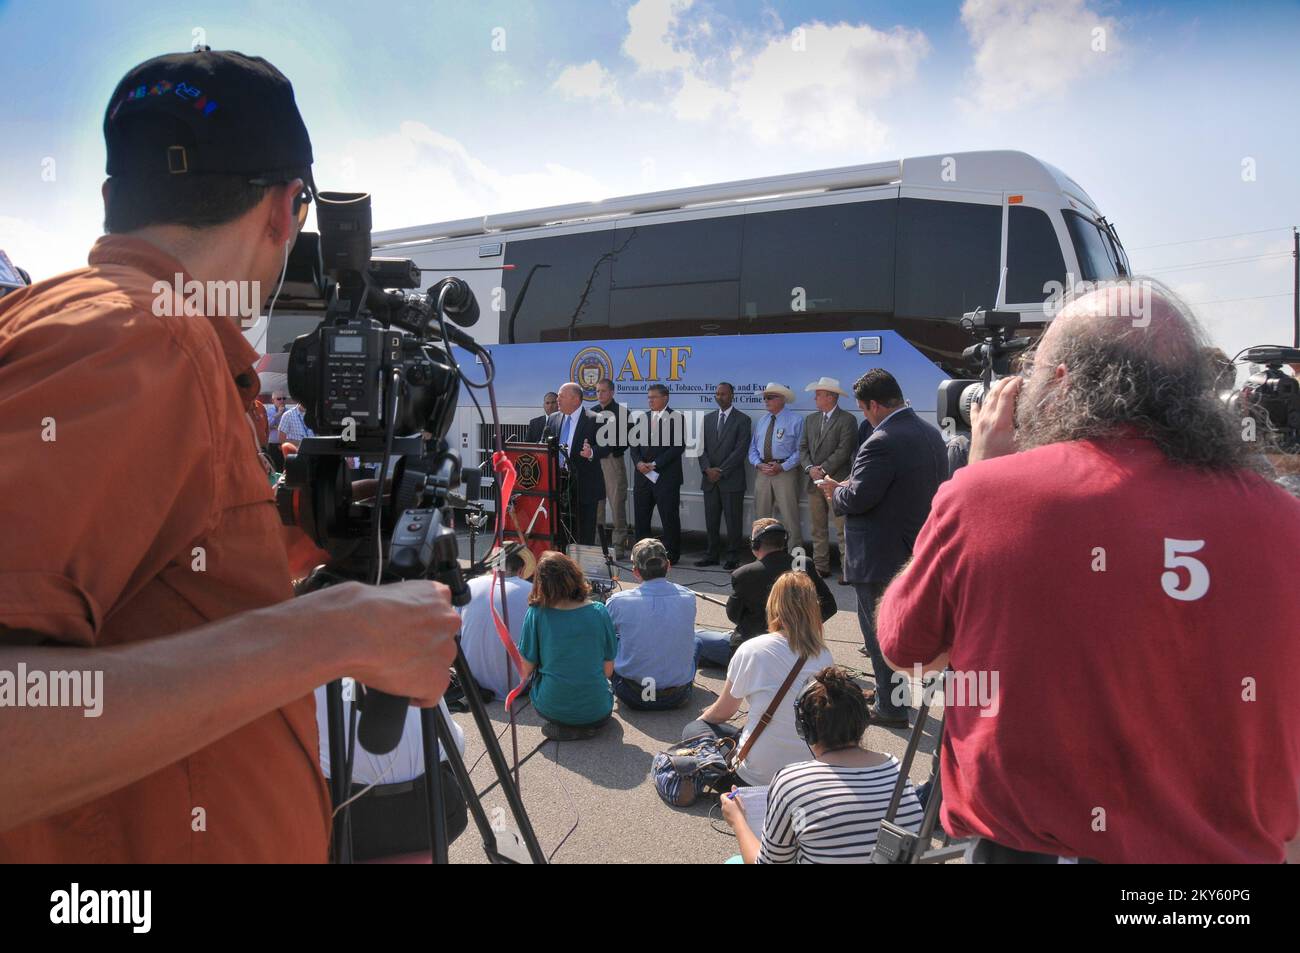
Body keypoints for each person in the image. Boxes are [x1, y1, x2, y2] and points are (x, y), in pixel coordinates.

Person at [0, 49, 460, 862]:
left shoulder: (109, 326)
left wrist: (299, 527)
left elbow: (156, 585)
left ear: (113, 200)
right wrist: (333, 631)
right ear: (286, 212)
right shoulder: (142, 345)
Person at [877, 281, 1300, 864]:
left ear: (1059, 383)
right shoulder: (1284, 520)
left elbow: (909, 650)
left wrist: (973, 478)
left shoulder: (989, 496)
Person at [821, 368, 947, 728]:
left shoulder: (881, 440)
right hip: (914, 547)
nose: (864, 415)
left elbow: (858, 498)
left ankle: (891, 708)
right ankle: (890, 695)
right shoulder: (928, 433)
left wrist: (835, 491)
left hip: (879, 553)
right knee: (901, 628)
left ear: (874, 405)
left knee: (878, 631)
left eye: (863, 408)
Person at [721, 666, 924, 863]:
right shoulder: (896, 768)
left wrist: (738, 820)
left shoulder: (792, 781)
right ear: (863, 722)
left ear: (804, 728)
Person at [683, 572, 835, 787]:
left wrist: (700, 723)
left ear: (774, 605)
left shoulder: (753, 649)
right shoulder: (824, 655)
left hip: (754, 779)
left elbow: (723, 712)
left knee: (694, 730)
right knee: (748, 729)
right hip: (804, 778)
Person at [314, 689, 468, 861]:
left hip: (344, 830)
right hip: (441, 816)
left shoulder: (294, 669)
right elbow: (455, 744)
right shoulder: (412, 662)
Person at [696, 518, 836, 669]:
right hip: (798, 643)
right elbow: (829, 606)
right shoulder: (804, 564)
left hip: (753, 648)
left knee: (694, 637)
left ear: (755, 544)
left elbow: (734, 615)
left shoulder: (744, 574)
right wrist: (802, 626)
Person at [517, 551, 617, 741]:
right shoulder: (599, 611)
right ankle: (585, 724)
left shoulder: (537, 613)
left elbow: (525, 670)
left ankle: (565, 724)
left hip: (551, 706)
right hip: (597, 709)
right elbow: (608, 671)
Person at [605, 539, 700, 710]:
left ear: (635, 571)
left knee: (612, 642)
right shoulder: (689, 597)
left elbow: (602, 640)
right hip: (677, 696)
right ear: (668, 565)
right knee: (697, 641)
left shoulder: (617, 601)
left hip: (632, 695)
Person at [798, 376, 859, 581]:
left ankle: (846, 569)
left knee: (842, 528)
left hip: (837, 482)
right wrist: (809, 468)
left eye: (818, 394)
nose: (815, 398)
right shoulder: (811, 419)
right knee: (818, 527)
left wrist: (822, 469)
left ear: (831, 397)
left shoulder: (847, 420)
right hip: (814, 482)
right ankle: (820, 566)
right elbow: (803, 447)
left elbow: (844, 450)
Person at [457, 549, 533, 700]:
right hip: (519, 685)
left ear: (493, 567)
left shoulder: (470, 585)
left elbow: (455, 634)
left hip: (471, 682)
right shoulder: (532, 591)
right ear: (522, 569)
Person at [542, 382, 606, 547]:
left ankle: (582, 569)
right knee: (561, 532)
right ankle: (562, 565)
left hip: (584, 486)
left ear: (576, 399)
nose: (558, 400)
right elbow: (543, 445)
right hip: (559, 486)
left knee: (584, 534)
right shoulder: (554, 419)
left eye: (561, 396)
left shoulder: (595, 419)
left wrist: (591, 452)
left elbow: (606, 446)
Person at [697, 382, 752, 570]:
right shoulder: (707, 419)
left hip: (731, 479)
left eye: (724, 394)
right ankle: (711, 554)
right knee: (711, 520)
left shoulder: (743, 420)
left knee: (732, 520)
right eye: (717, 394)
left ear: (732, 395)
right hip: (709, 480)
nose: (720, 397)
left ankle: (732, 556)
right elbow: (700, 449)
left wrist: (720, 471)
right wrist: (707, 469)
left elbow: (740, 450)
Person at [629, 383, 686, 561]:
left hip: (666, 478)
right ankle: (642, 555)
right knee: (641, 518)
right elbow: (634, 446)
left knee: (669, 517)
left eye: (653, 397)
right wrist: (638, 463)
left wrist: (654, 464)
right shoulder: (643, 418)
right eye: (648, 397)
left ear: (665, 398)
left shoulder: (676, 418)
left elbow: (677, 447)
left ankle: (672, 555)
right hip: (643, 478)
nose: (650, 400)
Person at [748, 382, 804, 554]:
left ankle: (795, 559)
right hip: (763, 472)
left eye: (770, 397)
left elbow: (801, 450)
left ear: (782, 399)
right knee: (762, 518)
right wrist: (759, 464)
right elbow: (753, 449)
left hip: (785, 473)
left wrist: (782, 466)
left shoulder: (796, 420)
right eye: (765, 397)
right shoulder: (762, 421)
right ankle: (762, 556)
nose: (766, 400)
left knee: (790, 518)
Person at [591, 378, 631, 559]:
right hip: (594, 462)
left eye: (603, 391)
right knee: (597, 506)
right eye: (597, 391)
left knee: (616, 505)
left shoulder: (622, 413)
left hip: (612, 461)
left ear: (612, 392)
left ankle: (619, 546)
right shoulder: (591, 413)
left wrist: (607, 448)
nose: (600, 394)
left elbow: (627, 440)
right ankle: (599, 545)